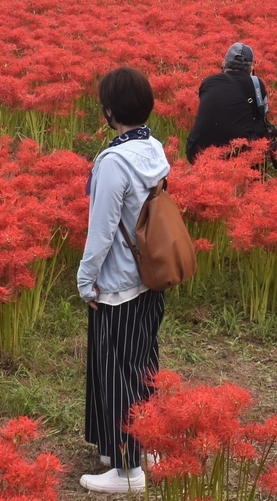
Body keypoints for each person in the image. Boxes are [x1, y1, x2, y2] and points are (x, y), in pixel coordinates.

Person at [77, 66, 169, 495]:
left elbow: (102, 231)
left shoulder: (114, 161)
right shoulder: (153, 148)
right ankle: (145, 446)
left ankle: (128, 471)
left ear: (109, 110)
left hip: (118, 286)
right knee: (144, 365)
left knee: (118, 374)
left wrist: (85, 280)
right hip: (151, 277)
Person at [185, 42, 277, 164]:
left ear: (224, 64)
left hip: (197, 153)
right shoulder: (256, 84)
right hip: (238, 158)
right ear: (251, 68)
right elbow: (260, 117)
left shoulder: (208, 82)